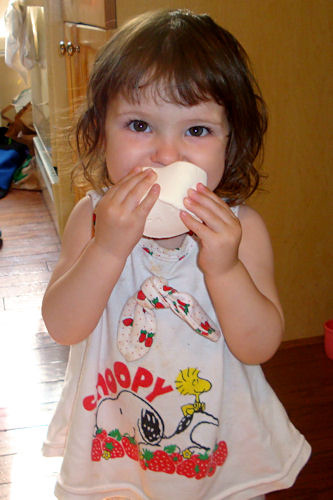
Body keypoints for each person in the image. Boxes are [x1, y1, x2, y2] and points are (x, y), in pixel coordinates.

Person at [42, 9, 311, 500]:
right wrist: (107, 249)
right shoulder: (94, 218)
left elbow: (258, 345)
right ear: (101, 131)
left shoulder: (240, 231)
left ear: (232, 142)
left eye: (197, 131)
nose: (167, 155)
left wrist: (225, 269)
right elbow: (63, 326)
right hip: (117, 442)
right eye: (140, 124)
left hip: (215, 444)